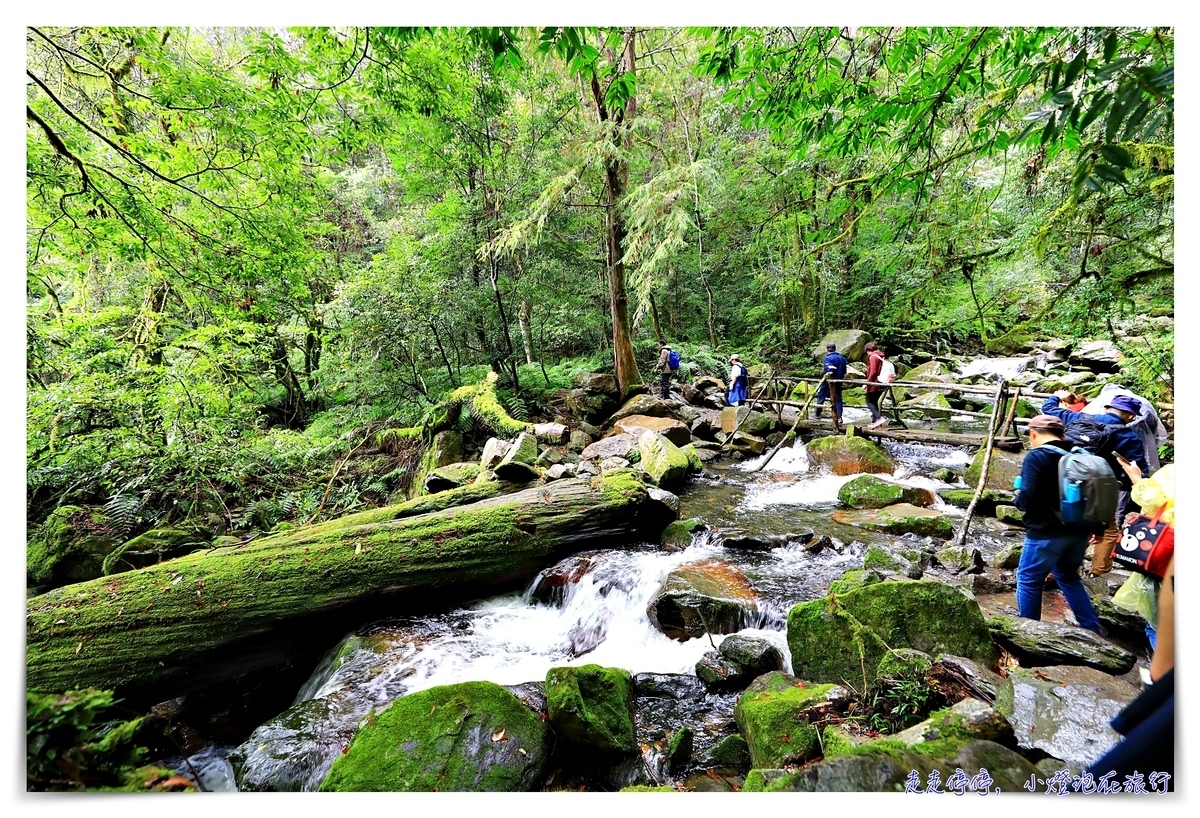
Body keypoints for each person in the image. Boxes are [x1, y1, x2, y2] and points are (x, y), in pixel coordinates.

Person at [1012, 414, 1105, 634]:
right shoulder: (1082, 454)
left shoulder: (1037, 457)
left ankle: (1028, 632)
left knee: (1028, 579)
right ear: (1062, 434)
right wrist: (1098, 527)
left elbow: (1029, 495)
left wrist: (1018, 501)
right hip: (1079, 532)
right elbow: (1097, 494)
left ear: (1033, 434)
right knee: (1068, 576)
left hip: (1046, 533)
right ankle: (1092, 627)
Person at [1041, 391, 1149, 575]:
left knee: (1062, 523)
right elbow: (1139, 472)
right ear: (1131, 416)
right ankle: (1098, 572)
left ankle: (1051, 572)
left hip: (1064, 481)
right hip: (1099, 490)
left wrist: (1059, 396)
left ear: (1107, 408)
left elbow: (1048, 408)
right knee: (1108, 530)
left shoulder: (1078, 417)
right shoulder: (1130, 438)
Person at [814, 342, 848, 424]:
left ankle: (818, 413)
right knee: (838, 398)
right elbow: (844, 371)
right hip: (839, 380)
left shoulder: (828, 358)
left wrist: (828, 376)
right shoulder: (842, 358)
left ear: (827, 349)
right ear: (835, 348)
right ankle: (839, 416)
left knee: (821, 395)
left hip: (829, 381)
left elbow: (829, 371)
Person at [864, 341, 888, 428]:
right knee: (874, 402)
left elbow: (873, 371)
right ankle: (875, 422)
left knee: (869, 401)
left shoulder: (873, 357)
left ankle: (878, 418)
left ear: (868, 350)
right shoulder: (881, 356)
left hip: (874, 383)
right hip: (881, 383)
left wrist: (868, 382)